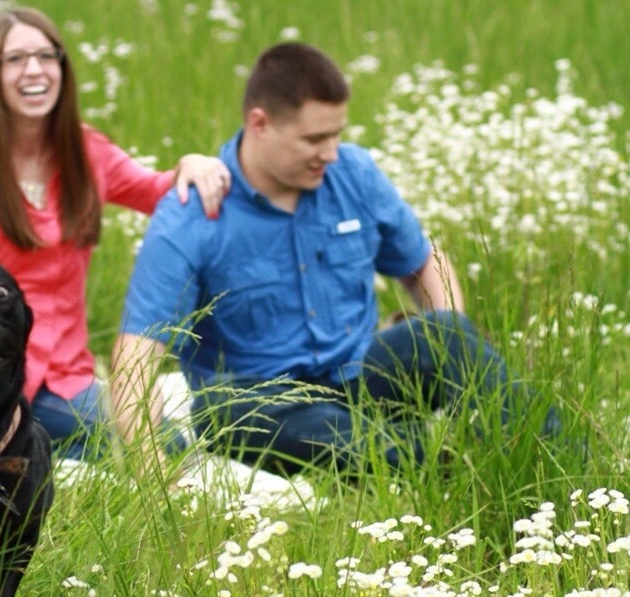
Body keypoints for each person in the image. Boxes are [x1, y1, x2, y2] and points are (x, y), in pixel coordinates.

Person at [111, 41, 559, 477]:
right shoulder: (192, 216)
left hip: (363, 379)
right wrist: (155, 471)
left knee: (449, 332)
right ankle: (443, 462)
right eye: (314, 139)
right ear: (260, 123)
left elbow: (424, 262)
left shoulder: (354, 173)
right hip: (265, 408)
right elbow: (135, 357)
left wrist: (446, 348)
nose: (330, 152)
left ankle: (550, 458)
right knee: (220, 410)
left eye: (337, 134)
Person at [0, 7, 230, 460]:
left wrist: (192, 164)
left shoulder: (85, 152)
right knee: (148, 441)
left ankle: (38, 455)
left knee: (159, 440)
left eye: (47, 56)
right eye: (15, 59)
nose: (35, 70)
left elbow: (158, 192)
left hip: (67, 375)